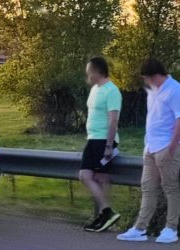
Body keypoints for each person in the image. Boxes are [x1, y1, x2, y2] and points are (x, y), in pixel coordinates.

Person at [117, 58, 180, 244]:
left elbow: (179, 119)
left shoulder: (175, 89)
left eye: (146, 78)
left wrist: (172, 146)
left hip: (167, 148)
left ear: (155, 75)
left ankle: (171, 228)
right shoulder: (152, 91)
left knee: (170, 188)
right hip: (151, 146)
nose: (145, 82)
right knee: (147, 187)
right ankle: (140, 228)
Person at [79, 57, 122, 232]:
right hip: (93, 139)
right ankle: (103, 216)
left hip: (103, 140)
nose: (87, 74)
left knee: (85, 176)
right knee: (98, 178)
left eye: (89, 71)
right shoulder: (95, 89)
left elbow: (113, 121)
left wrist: (109, 146)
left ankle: (107, 212)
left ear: (97, 71)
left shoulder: (111, 91)